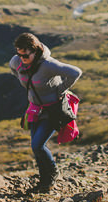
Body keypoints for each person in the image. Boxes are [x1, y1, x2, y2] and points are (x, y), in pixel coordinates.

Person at [9, 32, 82, 193]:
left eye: (25, 55)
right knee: (36, 147)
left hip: (52, 109)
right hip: (35, 109)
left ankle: (53, 173)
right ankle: (44, 182)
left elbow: (75, 72)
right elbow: (14, 69)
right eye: (19, 54)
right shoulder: (16, 62)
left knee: (37, 145)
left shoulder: (48, 65)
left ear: (35, 51)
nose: (21, 58)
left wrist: (59, 90)